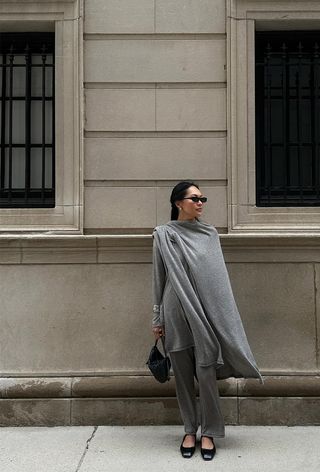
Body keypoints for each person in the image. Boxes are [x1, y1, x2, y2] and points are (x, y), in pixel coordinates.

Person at [151, 181, 263, 461]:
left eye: (203, 198)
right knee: (182, 374)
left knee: (206, 372)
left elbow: (218, 281)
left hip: (205, 312)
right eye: (194, 198)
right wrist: (157, 316)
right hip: (175, 311)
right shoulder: (163, 234)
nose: (200, 203)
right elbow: (159, 278)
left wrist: (220, 316)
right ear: (178, 203)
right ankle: (190, 430)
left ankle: (210, 431)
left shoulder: (209, 234)